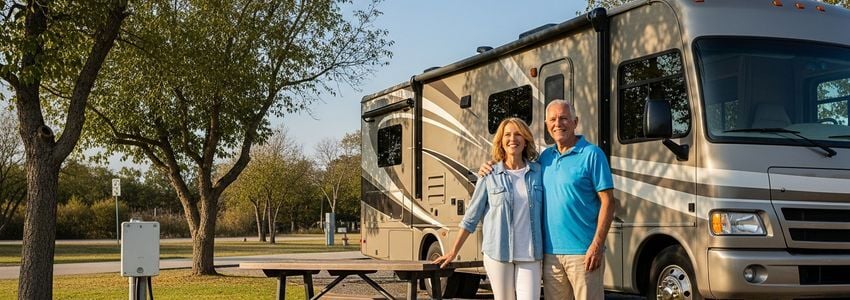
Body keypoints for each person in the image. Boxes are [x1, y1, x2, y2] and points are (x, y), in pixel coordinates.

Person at [479, 99, 615, 300]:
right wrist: (491, 165)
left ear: (575, 122)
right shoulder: (544, 159)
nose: (558, 124)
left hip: (583, 253)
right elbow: (514, 166)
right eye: (553, 119)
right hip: (549, 255)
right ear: (546, 125)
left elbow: (608, 202)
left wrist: (597, 245)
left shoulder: (592, 154)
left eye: (564, 118)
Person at [433, 118, 544, 300]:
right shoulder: (489, 174)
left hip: (530, 254)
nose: (512, 139)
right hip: (498, 253)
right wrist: (453, 251)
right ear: (501, 141)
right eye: (507, 135)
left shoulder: (538, 172)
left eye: (518, 134)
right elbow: (472, 216)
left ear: (525, 140)